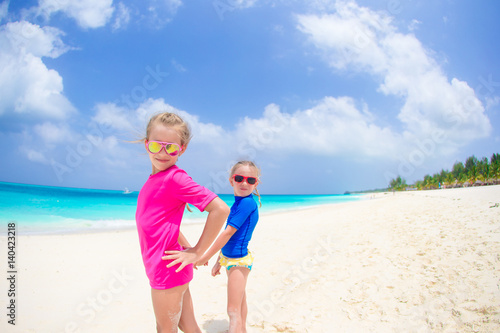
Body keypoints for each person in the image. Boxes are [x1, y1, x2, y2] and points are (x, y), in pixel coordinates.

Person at [135, 112, 230, 333]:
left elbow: (220, 209)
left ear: (182, 148)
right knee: (188, 325)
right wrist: (187, 248)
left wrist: (197, 252)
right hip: (174, 265)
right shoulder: (155, 180)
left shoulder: (175, 179)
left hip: (166, 270)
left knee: (164, 328)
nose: (162, 153)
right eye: (157, 146)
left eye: (171, 147)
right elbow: (165, 223)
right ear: (147, 144)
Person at [199, 160, 262, 332]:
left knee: (232, 310)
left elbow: (227, 234)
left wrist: (205, 255)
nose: (244, 183)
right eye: (239, 178)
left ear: (256, 183)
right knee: (240, 302)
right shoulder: (238, 203)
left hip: (239, 261)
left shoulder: (247, 204)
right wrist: (220, 260)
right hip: (232, 259)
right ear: (231, 180)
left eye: (250, 180)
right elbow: (231, 238)